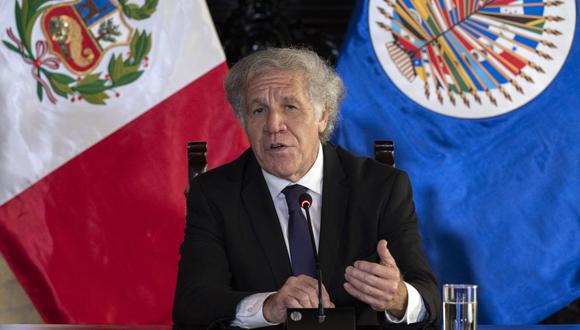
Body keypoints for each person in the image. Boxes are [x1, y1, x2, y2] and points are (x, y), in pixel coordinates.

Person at [173, 48, 441, 329]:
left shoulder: (380, 188)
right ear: (244, 123)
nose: (273, 125)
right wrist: (267, 306)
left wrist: (398, 298)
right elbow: (192, 307)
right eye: (258, 110)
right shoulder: (215, 194)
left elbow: (429, 299)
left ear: (322, 114)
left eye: (290, 107)